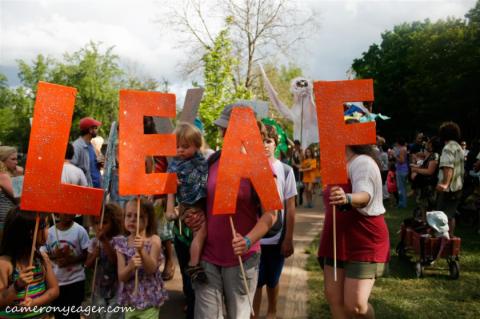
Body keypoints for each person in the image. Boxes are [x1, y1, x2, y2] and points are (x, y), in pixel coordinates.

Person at [183, 103, 278, 319]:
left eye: (228, 129)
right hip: (208, 256)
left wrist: (247, 240)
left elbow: (271, 214)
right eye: (224, 129)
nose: (224, 133)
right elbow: (201, 202)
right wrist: (193, 214)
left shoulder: (259, 165)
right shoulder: (212, 161)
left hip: (243, 259)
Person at [318, 141, 390, 319]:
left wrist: (348, 197)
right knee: (334, 297)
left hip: (364, 239)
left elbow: (365, 195)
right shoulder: (334, 163)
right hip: (336, 239)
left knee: (356, 306)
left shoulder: (363, 162)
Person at [253, 127, 297, 319]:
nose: (265, 145)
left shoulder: (286, 171)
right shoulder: (250, 169)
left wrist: (288, 238)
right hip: (255, 237)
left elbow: (291, 207)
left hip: (277, 236)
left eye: (269, 141)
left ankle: (272, 310)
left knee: (272, 278)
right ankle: (253, 314)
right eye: (261, 141)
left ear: (276, 144)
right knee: (256, 281)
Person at [166, 122, 208, 284]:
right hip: (188, 206)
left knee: (199, 234)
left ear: (197, 145)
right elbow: (170, 188)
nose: (180, 150)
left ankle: (193, 264)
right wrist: (171, 209)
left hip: (198, 204)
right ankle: (193, 264)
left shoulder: (202, 163)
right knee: (200, 232)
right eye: (177, 147)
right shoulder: (175, 166)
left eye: (184, 146)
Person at [0, 208, 59, 318]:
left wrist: (34, 303)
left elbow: (54, 290)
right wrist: (16, 286)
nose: (49, 230)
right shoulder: (5, 264)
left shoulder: (42, 258)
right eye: (46, 226)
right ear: (32, 232)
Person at [113, 198, 167, 318]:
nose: (132, 219)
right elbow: (121, 276)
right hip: (130, 301)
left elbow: (151, 269)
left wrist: (142, 251)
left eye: (139, 216)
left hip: (149, 302)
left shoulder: (154, 240)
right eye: (129, 215)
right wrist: (131, 266)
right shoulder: (121, 244)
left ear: (148, 220)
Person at [41, 213, 89, 319]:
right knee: (59, 314)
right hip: (56, 282)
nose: (68, 213)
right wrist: (55, 255)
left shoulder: (80, 231)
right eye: (64, 210)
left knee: (73, 314)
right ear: (57, 212)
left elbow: (87, 253)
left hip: (76, 281)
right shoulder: (49, 233)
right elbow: (42, 254)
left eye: (70, 210)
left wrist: (70, 260)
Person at [85, 203, 124, 319]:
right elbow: (87, 265)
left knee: (113, 315)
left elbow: (115, 262)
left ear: (114, 223)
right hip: (98, 288)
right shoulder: (93, 242)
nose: (100, 226)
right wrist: (94, 256)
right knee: (99, 315)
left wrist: (105, 242)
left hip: (117, 289)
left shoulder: (120, 241)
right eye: (96, 223)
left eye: (104, 222)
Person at [436, 122, 464, 236]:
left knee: (442, 215)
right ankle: (450, 239)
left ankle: (442, 240)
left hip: (449, 189)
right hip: (458, 187)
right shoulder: (458, 147)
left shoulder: (447, 148)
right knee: (451, 215)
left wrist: (445, 184)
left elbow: (448, 167)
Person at [410, 137, 442, 221]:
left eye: (429, 143)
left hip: (429, 186)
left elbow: (430, 171)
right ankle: (425, 224)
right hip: (425, 185)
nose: (427, 144)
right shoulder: (431, 155)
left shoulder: (435, 155)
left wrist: (416, 170)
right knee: (423, 206)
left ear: (432, 145)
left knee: (428, 208)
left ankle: (428, 226)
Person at [71, 117, 102, 187]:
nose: (97, 130)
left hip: (97, 186)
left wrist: (100, 163)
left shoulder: (91, 145)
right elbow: (72, 168)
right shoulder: (76, 146)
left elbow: (94, 164)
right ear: (90, 130)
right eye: (95, 128)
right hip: (87, 188)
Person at [0, 147, 18, 240]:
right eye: (13, 159)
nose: (16, 162)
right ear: (2, 160)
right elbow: (20, 198)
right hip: (4, 224)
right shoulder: (3, 176)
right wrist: (19, 175)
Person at [393, 138, 408, 208]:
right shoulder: (404, 148)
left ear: (398, 143)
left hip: (401, 170)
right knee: (403, 188)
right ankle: (403, 203)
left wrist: (395, 156)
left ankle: (402, 204)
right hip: (403, 170)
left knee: (401, 188)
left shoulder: (402, 149)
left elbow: (401, 160)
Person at [290, 140, 304, 206]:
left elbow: (301, 161)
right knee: (294, 185)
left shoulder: (301, 152)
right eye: (294, 145)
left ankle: (300, 196)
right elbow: (292, 160)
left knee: (300, 185)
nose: (295, 146)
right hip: (294, 170)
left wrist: (299, 155)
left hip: (300, 170)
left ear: (298, 145)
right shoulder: (293, 152)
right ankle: (295, 200)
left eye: (296, 145)